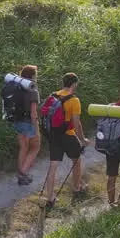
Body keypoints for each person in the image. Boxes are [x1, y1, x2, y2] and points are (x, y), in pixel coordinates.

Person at [42, 73, 90, 208]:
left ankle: (50, 198)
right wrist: (82, 139)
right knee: (77, 160)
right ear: (74, 84)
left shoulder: (53, 96)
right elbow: (76, 123)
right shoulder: (74, 100)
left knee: (53, 166)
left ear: (63, 83)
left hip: (54, 135)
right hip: (68, 135)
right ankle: (76, 187)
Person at [4, 65, 42, 185]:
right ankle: (23, 173)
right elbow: (33, 113)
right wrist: (36, 128)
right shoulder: (33, 89)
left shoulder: (17, 87)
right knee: (35, 147)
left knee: (24, 147)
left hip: (17, 121)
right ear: (32, 76)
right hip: (28, 122)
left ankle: (21, 173)